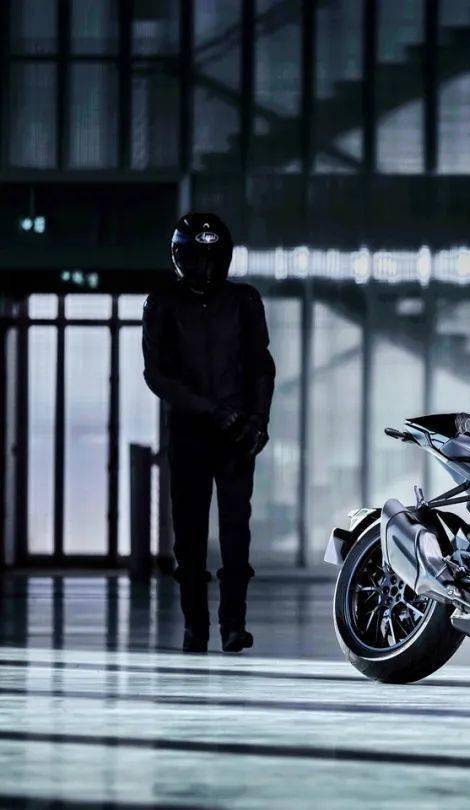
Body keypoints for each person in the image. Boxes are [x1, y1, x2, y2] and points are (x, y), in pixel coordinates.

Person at [142, 213, 275, 654]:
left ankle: (233, 626)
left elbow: (262, 366)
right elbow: (157, 375)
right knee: (189, 536)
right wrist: (212, 411)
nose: (206, 268)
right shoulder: (161, 302)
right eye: (197, 259)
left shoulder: (244, 300)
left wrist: (259, 420)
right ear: (179, 258)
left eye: (214, 259)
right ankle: (194, 628)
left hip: (237, 434)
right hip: (190, 435)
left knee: (236, 533)